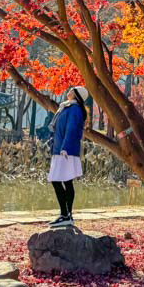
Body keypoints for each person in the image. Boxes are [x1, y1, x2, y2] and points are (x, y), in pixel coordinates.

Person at [47, 85, 88, 227]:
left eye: (71, 89)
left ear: (76, 94)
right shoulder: (67, 107)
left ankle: (65, 214)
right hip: (61, 149)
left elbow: (71, 129)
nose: (68, 90)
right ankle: (67, 215)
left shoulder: (74, 109)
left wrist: (65, 147)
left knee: (57, 180)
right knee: (65, 181)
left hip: (65, 151)